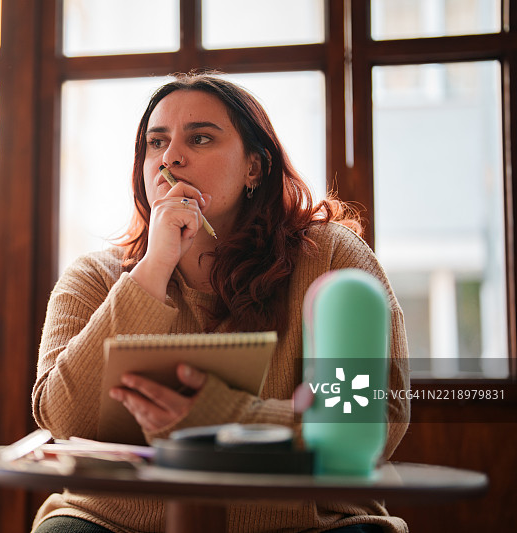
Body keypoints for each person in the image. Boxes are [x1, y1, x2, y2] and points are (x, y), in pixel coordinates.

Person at [31, 72, 410, 533]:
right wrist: (154, 266)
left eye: (201, 137)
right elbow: (62, 419)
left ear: (255, 167)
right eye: (156, 143)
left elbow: (373, 422)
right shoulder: (92, 276)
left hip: (307, 522)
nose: (170, 157)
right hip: (117, 520)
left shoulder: (332, 257)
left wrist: (221, 417)